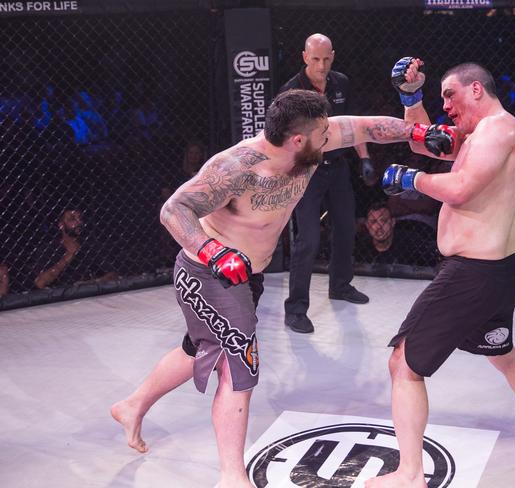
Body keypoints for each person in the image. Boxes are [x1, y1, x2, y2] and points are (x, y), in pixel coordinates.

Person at [110, 89, 418, 488]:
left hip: (247, 276)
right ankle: (231, 477)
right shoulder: (237, 167)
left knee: (200, 347)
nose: (331, 138)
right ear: (297, 140)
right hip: (209, 273)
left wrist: (421, 132)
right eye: (322, 134)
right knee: (240, 365)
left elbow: (366, 128)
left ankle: (132, 405)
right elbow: (174, 209)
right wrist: (214, 250)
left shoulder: (310, 142)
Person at [366, 59, 515, 488]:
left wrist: (411, 180)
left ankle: (409, 473)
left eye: (449, 95)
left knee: (403, 363)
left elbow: (459, 189)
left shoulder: (499, 130)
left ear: (476, 89)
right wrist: (411, 96)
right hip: (496, 272)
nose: (446, 106)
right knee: (502, 353)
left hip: (473, 274)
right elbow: (426, 143)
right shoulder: (482, 134)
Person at [280, 33, 374, 334]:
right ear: (305, 57)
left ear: (332, 56)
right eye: (315, 59)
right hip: (306, 171)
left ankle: (341, 285)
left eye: (326, 59)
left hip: (338, 166)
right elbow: (279, 138)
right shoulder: (291, 91)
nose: (321, 65)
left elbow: (352, 126)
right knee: (307, 239)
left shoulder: (341, 83)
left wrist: (365, 157)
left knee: (346, 227)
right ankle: (295, 309)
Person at [33, 208, 118, 289]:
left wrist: (92, 283)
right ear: (61, 225)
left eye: (80, 218)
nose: (79, 222)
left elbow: (112, 274)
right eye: (72, 219)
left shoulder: (91, 245)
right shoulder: (48, 248)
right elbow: (40, 283)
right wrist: (69, 255)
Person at [355, 200, 437, 267]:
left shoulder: (411, 243)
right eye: (373, 222)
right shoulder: (360, 247)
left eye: (383, 221)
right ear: (367, 225)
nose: (379, 226)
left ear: (392, 222)